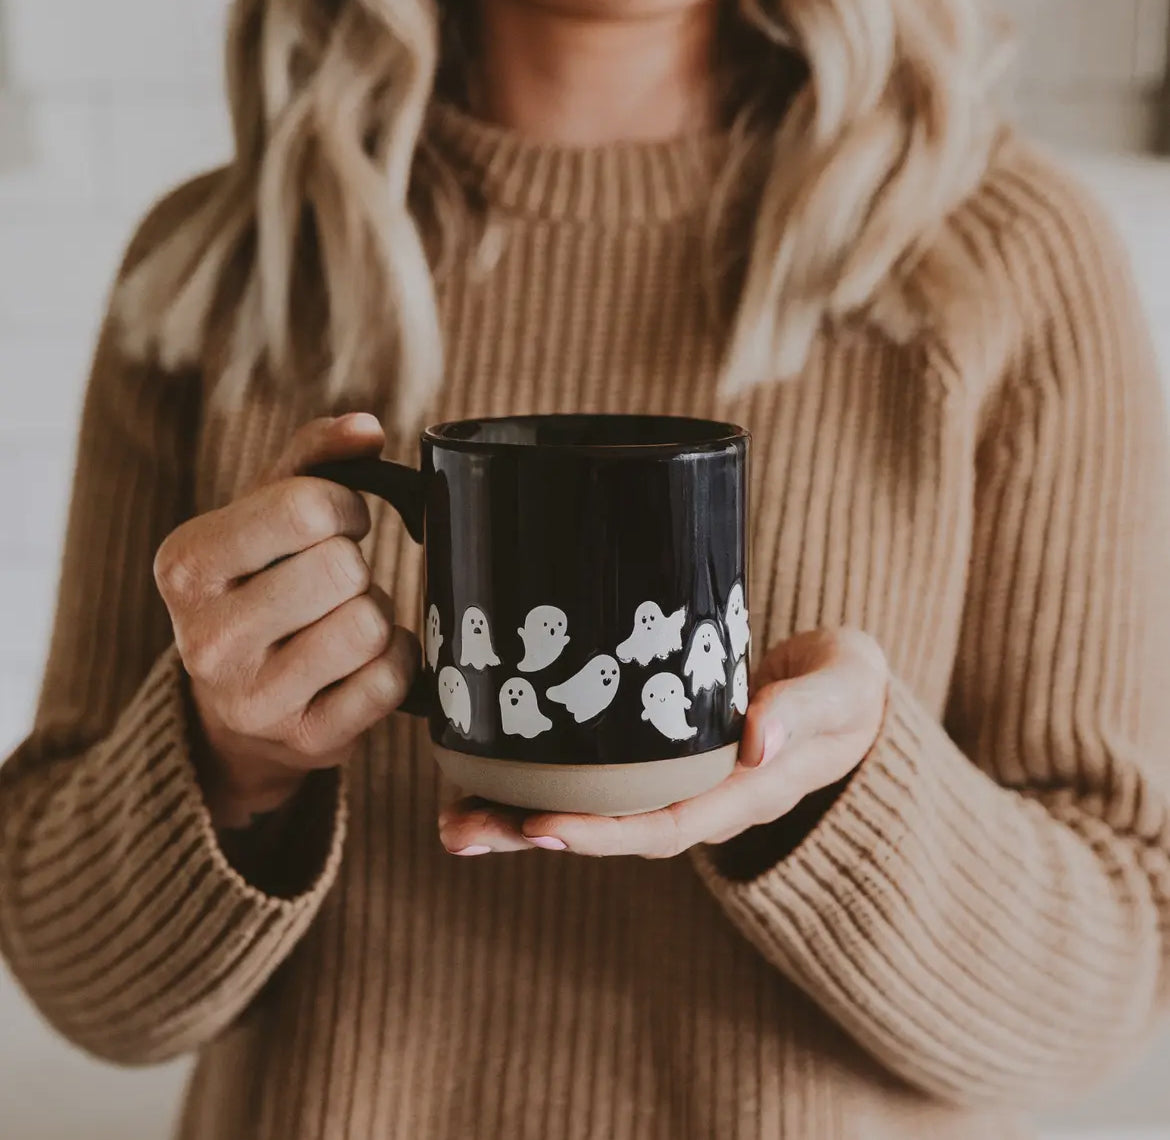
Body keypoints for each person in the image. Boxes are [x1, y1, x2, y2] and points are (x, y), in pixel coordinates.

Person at [2, 1, 1168, 1137]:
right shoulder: (217, 271)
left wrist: (838, 796)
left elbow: (1112, 984)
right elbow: (79, 985)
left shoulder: (1011, 257)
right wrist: (229, 765)